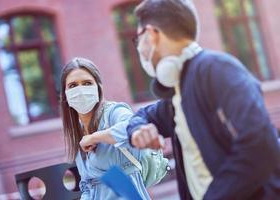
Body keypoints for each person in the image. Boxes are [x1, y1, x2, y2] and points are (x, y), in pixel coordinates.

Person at [126, 0, 280, 200]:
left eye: (138, 40)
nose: (140, 48)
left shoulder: (217, 68)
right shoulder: (178, 90)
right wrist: (138, 129)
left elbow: (260, 144)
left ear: (151, 34)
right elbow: (142, 115)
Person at [59, 57, 151, 200]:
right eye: (72, 86)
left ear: (98, 87)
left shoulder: (113, 113)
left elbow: (133, 126)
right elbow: (86, 185)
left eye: (87, 83)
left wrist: (95, 137)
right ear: (65, 94)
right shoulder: (78, 130)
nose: (80, 90)